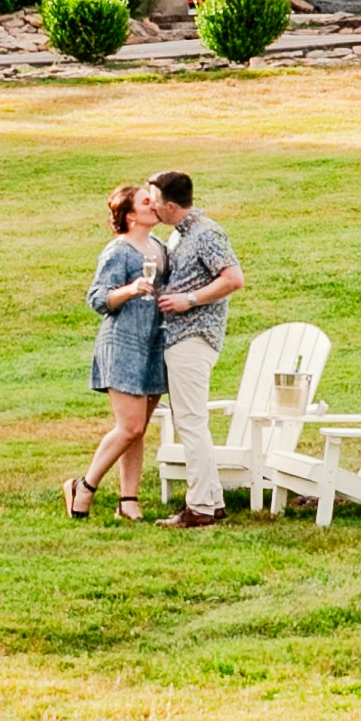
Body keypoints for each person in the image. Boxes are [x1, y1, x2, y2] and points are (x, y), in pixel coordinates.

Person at [144, 169, 243, 526]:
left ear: (170, 205)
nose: (150, 206)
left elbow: (234, 279)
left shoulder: (206, 233)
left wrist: (189, 299)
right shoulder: (176, 237)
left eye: (154, 200)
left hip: (194, 337)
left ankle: (198, 507)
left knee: (190, 422)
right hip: (178, 338)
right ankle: (212, 501)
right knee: (190, 421)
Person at [66, 184, 168, 519]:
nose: (153, 205)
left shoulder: (160, 247)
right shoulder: (118, 251)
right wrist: (129, 289)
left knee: (137, 429)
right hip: (122, 344)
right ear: (129, 214)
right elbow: (97, 298)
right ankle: (84, 486)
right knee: (130, 426)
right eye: (145, 201)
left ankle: (128, 501)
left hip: (153, 345)